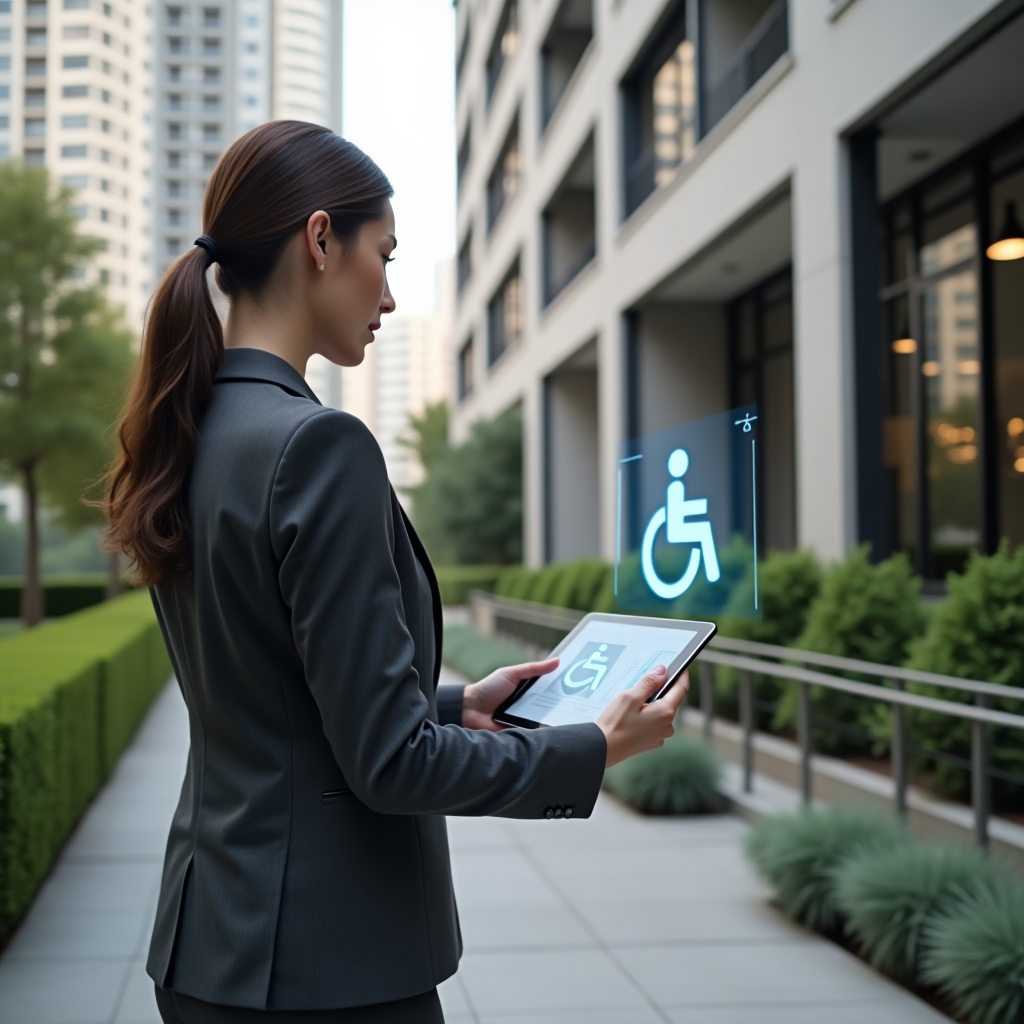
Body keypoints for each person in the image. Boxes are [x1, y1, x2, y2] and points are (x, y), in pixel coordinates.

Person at [104, 121, 687, 1024]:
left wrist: (460, 704)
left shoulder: (190, 433)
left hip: (209, 941)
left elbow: (274, 697)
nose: (389, 289)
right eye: (385, 252)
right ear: (321, 238)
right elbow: (390, 766)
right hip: (330, 970)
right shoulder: (316, 445)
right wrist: (591, 746)